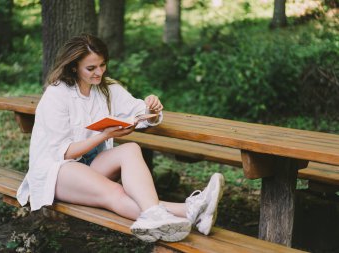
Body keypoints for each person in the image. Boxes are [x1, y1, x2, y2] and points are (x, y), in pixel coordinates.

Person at [16, 34, 225, 242]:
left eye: (102, 65)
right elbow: (64, 152)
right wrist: (105, 135)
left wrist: (151, 107)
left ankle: (167, 213)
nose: (99, 72)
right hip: (57, 170)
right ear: (73, 67)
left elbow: (141, 113)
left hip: (90, 168)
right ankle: (189, 210)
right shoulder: (57, 94)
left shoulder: (107, 89)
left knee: (130, 148)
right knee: (114, 191)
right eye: (91, 68)